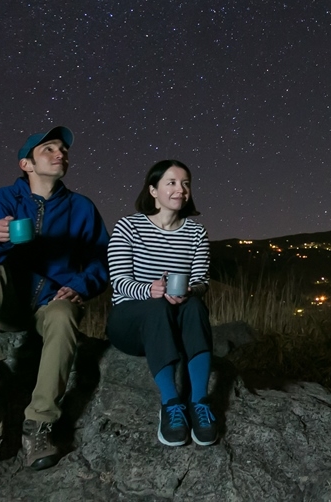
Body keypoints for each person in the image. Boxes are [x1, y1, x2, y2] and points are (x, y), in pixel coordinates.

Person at [0, 125, 109, 470]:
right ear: (26, 164)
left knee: (63, 315)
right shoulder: (3, 200)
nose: (61, 154)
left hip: (50, 304)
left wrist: (80, 286)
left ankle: (40, 423)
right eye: (49, 149)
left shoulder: (82, 208)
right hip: (9, 304)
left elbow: (101, 261)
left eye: (64, 151)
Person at [105, 159, 217, 447]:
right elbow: (118, 281)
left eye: (185, 183)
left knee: (193, 306)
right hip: (131, 321)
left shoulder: (196, 233)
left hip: (176, 317)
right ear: (153, 190)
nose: (180, 189)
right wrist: (151, 290)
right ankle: (170, 405)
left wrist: (191, 290)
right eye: (171, 183)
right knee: (157, 306)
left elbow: (202, 281)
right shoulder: (129, 227)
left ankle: (199, 403)